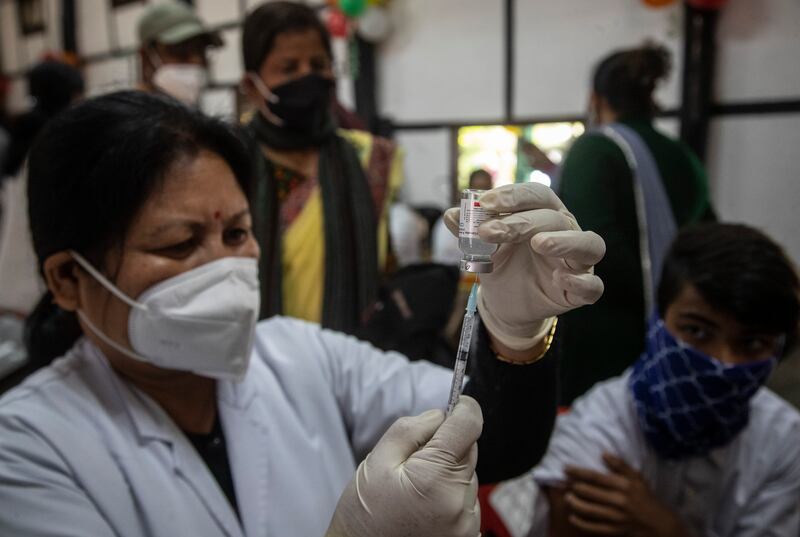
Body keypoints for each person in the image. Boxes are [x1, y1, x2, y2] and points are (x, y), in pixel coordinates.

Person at [0, 91, 606, 536]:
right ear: (68, 279)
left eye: (237, 233)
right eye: (179, 245)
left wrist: (516, 333)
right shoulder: (24, 447)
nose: (223, 266)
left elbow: (492, 441)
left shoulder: (299, 356)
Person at [489, 223, 800, 537]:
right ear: (659, 320)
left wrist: (667, 530)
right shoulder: (596, 427)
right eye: (697, 331)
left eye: (752, 344)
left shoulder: (785, 441)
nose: (723, 362)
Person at [556, 43, 716, 405]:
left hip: (607, 340)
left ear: (594, 98)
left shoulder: (595, 149)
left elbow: (593, 244)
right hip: (672, 334)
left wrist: (655, 292)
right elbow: (707, 236)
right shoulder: (681, 155)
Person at [239, 1, 404, 332]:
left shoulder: (370, 157)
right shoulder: (228, 163)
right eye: (288, 68)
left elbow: (383, 264)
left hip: (351, 363)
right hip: (257, 367)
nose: (307, 77)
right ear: (251, 88)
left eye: (318, 64)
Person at [136, 0, 222, 106]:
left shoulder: (193, 117)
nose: (197, 61)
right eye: (180, 50)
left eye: (201, 51)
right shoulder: (123, 119)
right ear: (146, 57)